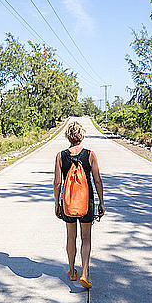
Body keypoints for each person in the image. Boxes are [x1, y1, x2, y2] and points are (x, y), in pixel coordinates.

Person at [53, 121, 105, 289]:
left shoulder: (60, 156)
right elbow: (97, 180)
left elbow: (57, 183)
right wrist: (101, 202)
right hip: (86, 201)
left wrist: (57, 203)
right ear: (82, 136)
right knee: (86, 238)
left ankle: (71, 270)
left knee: (70, 237)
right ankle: (85, 273)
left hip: (68, 202)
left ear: (68, 136)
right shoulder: (90, 155)